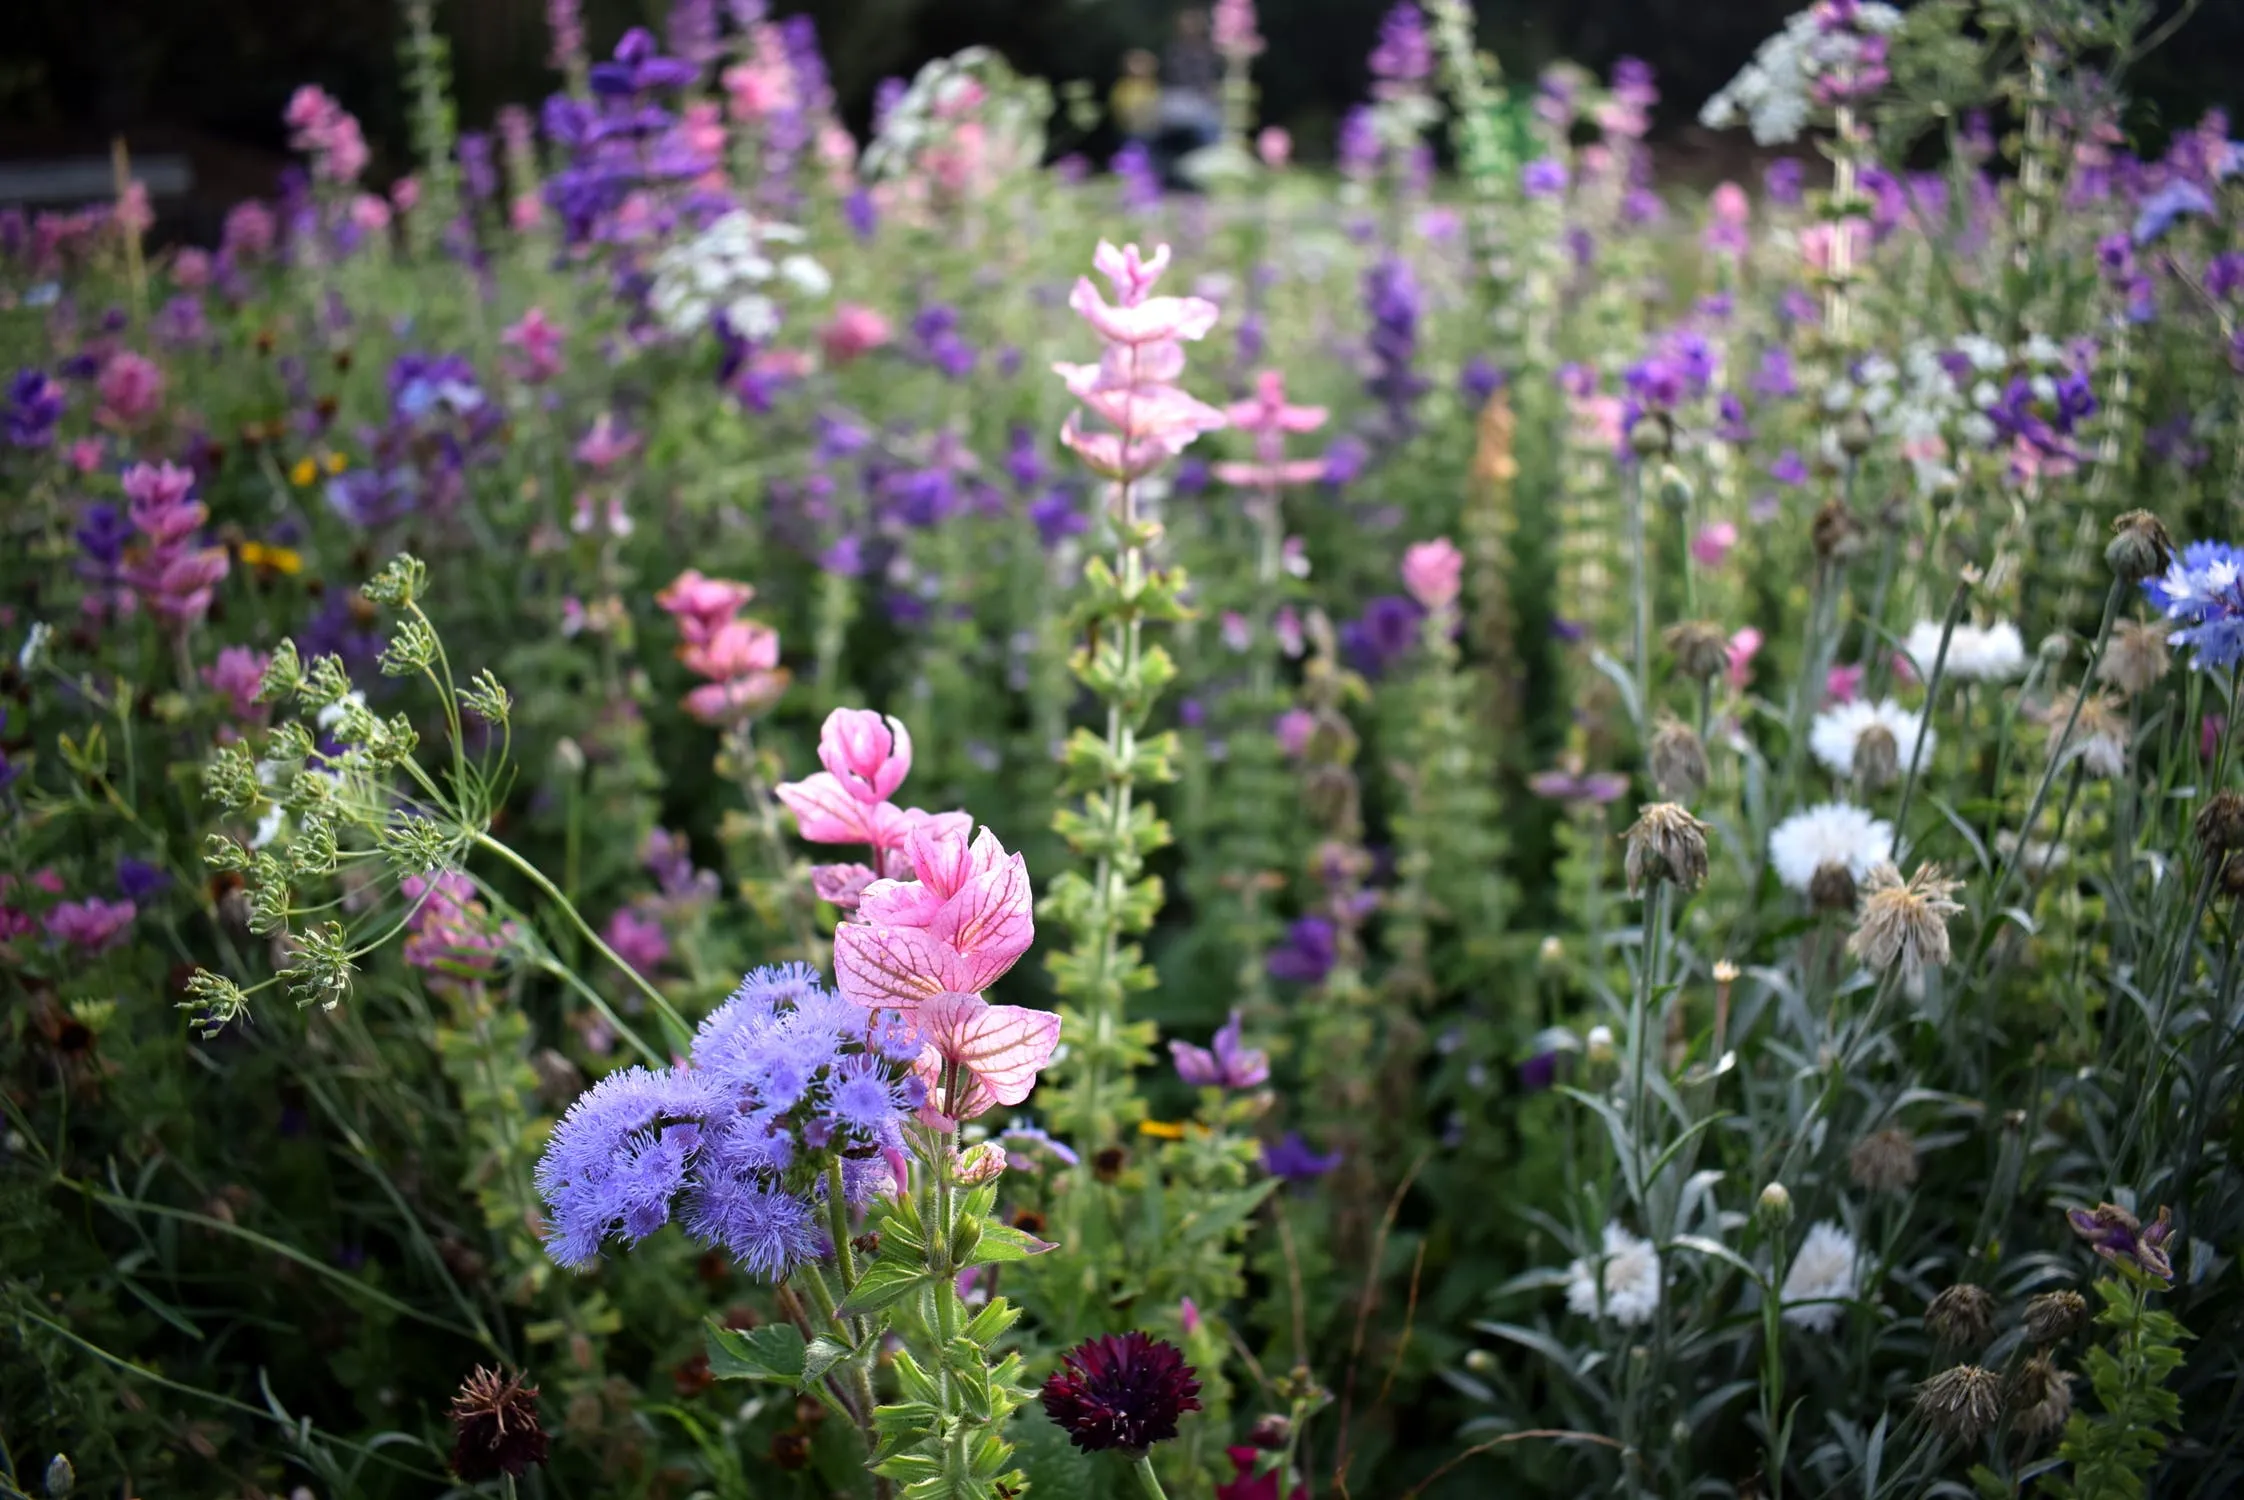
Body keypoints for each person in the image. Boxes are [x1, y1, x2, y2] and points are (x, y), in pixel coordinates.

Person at [1153, 7, 1222, 184]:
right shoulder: (1174, 50)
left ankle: (1208, 173)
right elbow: (1173, 77)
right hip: (1178, 99)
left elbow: (1211, 79)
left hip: (1201, 102)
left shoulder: (1208, 51)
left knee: (1213, 128)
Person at [1112, 49, 1162, 143]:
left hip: (1152, 131)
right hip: (1129, 130)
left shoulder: (1152, 85)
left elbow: (1158, 104)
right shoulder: (1123, 86)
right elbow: (1118, 108)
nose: (1139, 68)